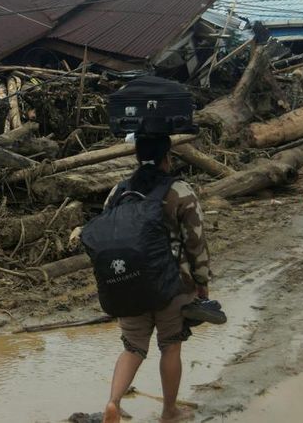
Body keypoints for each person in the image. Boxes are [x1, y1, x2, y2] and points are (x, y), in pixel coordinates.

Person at [102, 135, 211, 423]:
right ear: (168, 158)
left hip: (129, 283)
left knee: (133, 347)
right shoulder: (179, 191)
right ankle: (169, 411)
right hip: (171, 284)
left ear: (137, 157)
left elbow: (108, 234)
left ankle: (113, 402)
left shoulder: (119, 191)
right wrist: (201, 280)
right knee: (170, 346)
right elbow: (195, 241)